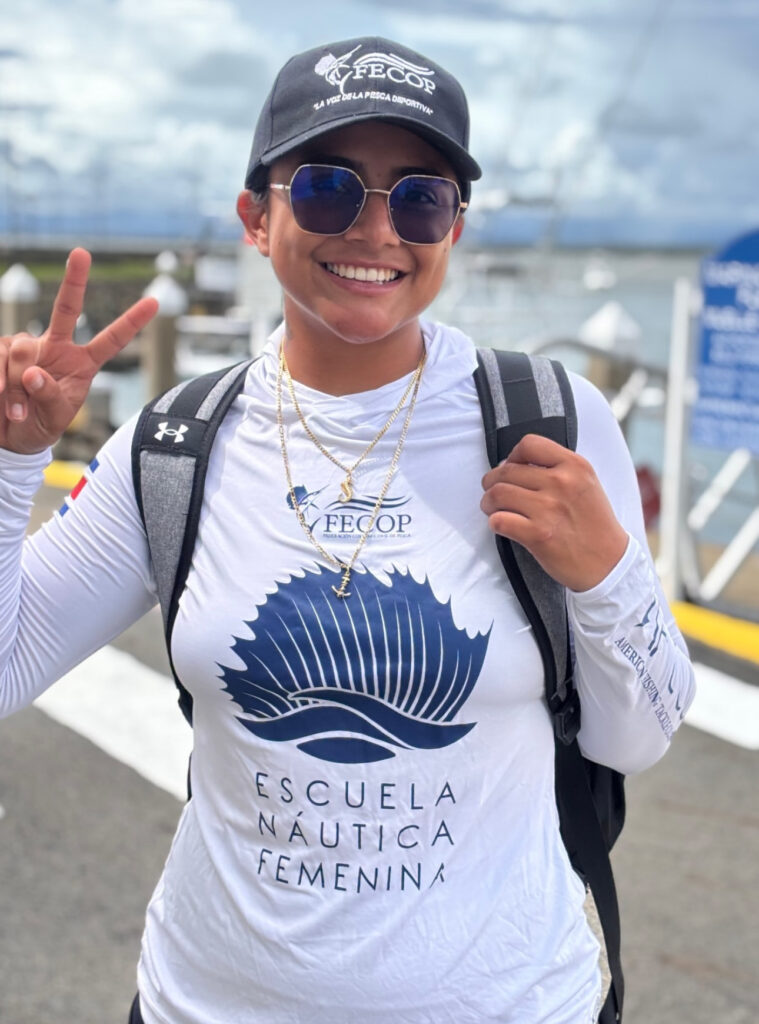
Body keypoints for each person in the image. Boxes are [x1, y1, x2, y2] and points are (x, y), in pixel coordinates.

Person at [0, 35, 695, 1024]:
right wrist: (11, 459)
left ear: (454, 223)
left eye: (420, 197)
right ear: (255, 215)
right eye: (329, 188)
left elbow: (643, 735)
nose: (377, 232)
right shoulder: (176, 443)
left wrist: (607, 575)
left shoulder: (550, 419)